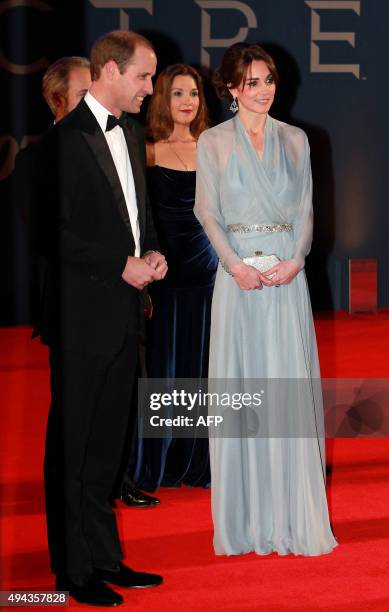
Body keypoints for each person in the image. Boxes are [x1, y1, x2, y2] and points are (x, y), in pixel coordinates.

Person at [31, 31, 167, 606]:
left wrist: (153, 253)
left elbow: (138, 215)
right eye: (144, 76)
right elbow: (49, 234)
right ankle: (71, 571)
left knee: (108, 446)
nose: (150, 88)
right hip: (82, 316)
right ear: (110, 71)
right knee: (74, 445)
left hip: (124, 314)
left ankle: (106, 557)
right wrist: (120, 265)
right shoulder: (59, 144)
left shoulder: (132, 133)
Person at [194, 43, 338, 556]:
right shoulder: (211, 142)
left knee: (284, 389)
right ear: (232, 88)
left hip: (284, 276)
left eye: (269, 80)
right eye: (251, 82)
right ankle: (246, 520)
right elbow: (206, 212)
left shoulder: (296, 139)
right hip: (236, 279)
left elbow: (306, 212)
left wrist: (296, 261)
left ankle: (292, 517)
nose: (263, 90)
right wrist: (233, 265)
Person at [130, 64, 218, 491]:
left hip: (207, 272)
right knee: (162, 369)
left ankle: (200, 459)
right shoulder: (143, 148)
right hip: (163, 272)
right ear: (161, 98)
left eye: (195, 94)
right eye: (178, 93)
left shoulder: (214, 145)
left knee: (202, 367)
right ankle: (157, 460)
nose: (188, 102)